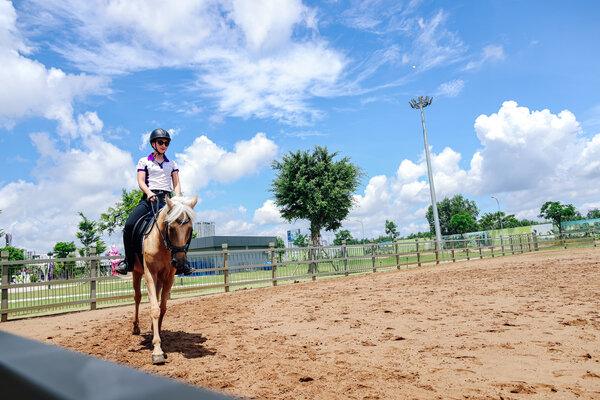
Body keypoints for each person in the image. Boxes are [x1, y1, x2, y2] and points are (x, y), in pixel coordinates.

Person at [115, 128, 193, 275]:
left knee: (184, 226)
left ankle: (184, 263)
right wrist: (149, 193)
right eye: (161, 142)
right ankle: (128, 262)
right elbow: (141, 182)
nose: (164, 145)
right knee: (129, 224)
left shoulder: (172, 163)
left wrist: (176, 199)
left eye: (166, 143)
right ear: (153, 143)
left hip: (167, 200)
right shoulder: (144, 161)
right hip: (149, 199)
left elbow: (176, 184)